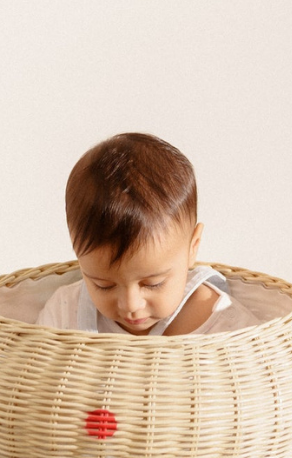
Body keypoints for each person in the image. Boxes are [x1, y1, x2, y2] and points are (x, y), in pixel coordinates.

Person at [36, 132, 262, 336]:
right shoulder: (64, 315)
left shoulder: (230, 329)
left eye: (153, 283)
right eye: (104, 285)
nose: (131, 305)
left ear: (193, 247)